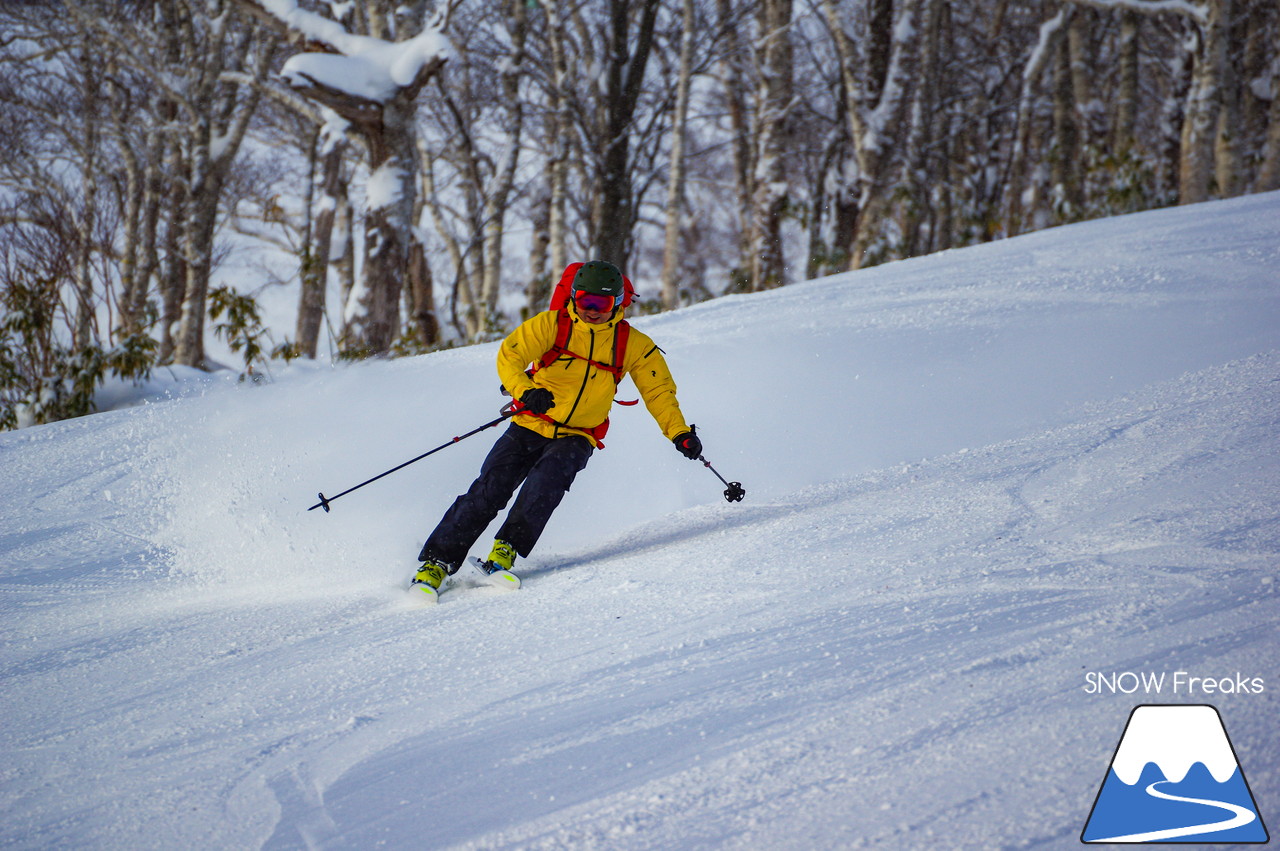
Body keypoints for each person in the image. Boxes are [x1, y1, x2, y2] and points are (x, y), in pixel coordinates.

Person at [410, 260, 703, 602]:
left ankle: (504, 552)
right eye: (584, 301)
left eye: (602, 304)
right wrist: (525, 391)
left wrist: (679, 432)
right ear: (573, 297)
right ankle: (435, 564)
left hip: (579, 434)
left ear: (618, 303)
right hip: (530, 423)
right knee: (490, 489)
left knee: (544, 487)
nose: (592, 311)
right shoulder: (553, 325)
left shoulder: (632, 344)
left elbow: (658, 392)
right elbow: (510, 356)